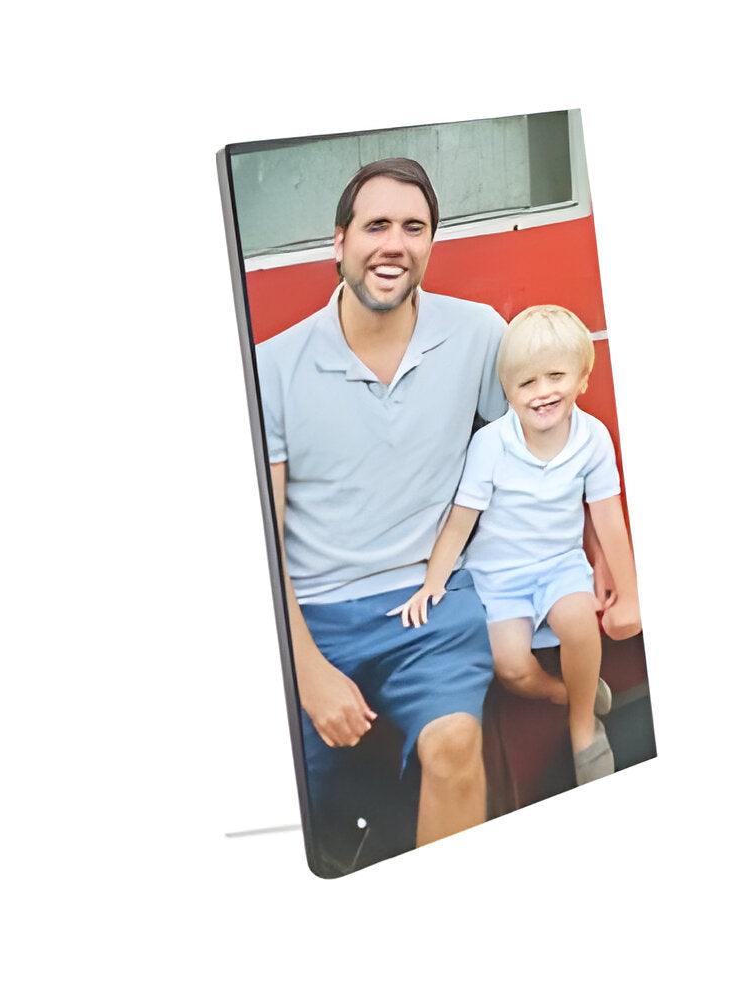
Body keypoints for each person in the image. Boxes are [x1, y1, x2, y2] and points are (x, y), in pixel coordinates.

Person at [255, 158, 507, 854]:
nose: (394, 244)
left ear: (431, 243)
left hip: (429, 600)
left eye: (413, 228)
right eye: (376, 226)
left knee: (455, 744)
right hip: (314, 612)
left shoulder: (478, 333)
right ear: (339, 242)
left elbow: (530, 454)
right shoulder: (274, 367)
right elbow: (264, 540)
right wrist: (307, 672)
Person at [389, 305, 642, 785]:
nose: (542, 391)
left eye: (556, 377)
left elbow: (607, 517)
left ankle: (582, 729)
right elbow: (460, 521)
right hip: (499, 577)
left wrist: (628, 594)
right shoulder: (492, 444)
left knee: (579, 623)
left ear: (582, 378)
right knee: (511, 668)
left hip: (561, 565)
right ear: (507, 390)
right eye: (526, 383)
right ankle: (569, 693)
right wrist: (432, 582)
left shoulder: (593, 439)